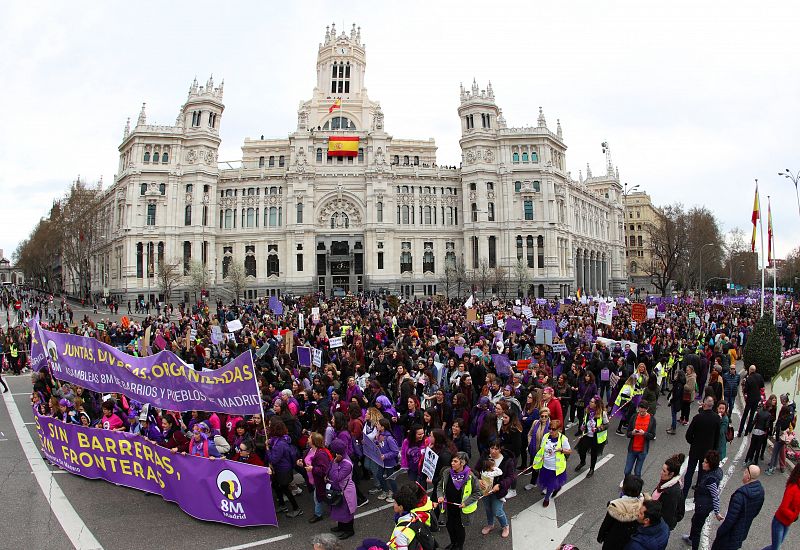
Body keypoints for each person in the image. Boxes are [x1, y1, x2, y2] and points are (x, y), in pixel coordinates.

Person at [711, 464, 765, 550]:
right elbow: (756, 512)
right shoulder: (761, 492)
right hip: (741, 532)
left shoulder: (740, 496)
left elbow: (730, 520)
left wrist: (720, 531)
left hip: (729, 536)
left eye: (745, 472)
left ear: (748, 476)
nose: (743, 474)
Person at [437, 451, 480, 550]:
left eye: (455, 461)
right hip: (448, 507)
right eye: (452, 460)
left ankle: (459, 546)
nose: (452, 463)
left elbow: (477, 493)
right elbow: (440, 486)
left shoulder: (471, 477)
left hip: (461, 509)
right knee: (450, 527)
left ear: (463, 463)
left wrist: (466, 503)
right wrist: (440, 496)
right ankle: (453, 543)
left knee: (459, 529)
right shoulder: (447, 472)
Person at [683, 450, 723, 550]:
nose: (703, 463)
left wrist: (717, 512)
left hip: (703, 506)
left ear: (711, 464)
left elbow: (715, 495)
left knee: (697, 529)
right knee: (695, 521)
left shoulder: (711, 479)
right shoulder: (716, 472)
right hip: (703, 504)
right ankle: (691, 538)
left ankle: (694, 544)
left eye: (705, 462)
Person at [684, 396, 720, 498]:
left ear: (704, 403)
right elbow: (717, 437)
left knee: (690, 471)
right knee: (702, 474)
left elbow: (688, 435)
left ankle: (684, 492)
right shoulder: (716, 418)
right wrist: (714, 450)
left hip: (695, 449)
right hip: (707, 452)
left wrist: (693, 442)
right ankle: (697, 495)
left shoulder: (697, 418)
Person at [477, 442, 515, 538]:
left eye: (496, 449)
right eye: (491, 448)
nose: (493, 451)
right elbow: (476, 469)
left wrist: (500, 485)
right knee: (488, 508)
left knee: (497, 510)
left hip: (498, 491)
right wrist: (479, 479)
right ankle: (490, 524)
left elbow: (510, 477)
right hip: (485, 489)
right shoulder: (485, 456)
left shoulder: (507, 461)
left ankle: (505, 526)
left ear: (500, 449)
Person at [266, 417, 303, 517]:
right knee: (276, 485)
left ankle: (296, 508)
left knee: (285, 488)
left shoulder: (280, 444)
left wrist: (267, 450)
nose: (268, 427)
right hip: (282, 468)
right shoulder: (282, 439)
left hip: (282, 469)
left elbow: (273, 459)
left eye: (270, 425)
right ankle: (282, 504)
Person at [597, 474, 644, 550]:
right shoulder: (642, 506)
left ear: (624, 489)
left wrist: (600, 537)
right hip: (629, 541)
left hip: (613, 540)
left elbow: (606, 524)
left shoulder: (614, 506)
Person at [532, 419, 571, 507]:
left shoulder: (563, 439)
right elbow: (542, 449)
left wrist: (561, 450)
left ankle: (546, 499)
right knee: (545, 482)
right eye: (549, 428)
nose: (550, 431)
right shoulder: (546, 436)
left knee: (550, 484)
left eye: (553, 429)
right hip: (545, 466)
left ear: (559, 430)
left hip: (555, 467)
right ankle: (556, 487)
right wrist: (539, 459)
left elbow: (569, 451)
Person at [763, 462, 800, 550]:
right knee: (776, 548)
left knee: (775, 547)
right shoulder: (792, 488)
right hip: (779, 522)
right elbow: (784, 508)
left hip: (787, 522)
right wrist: (793, 516)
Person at [327, 438, 356, 540]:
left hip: (346, 491)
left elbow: (337, 477)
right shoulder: (338, 458)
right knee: (339, 509)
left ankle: (349, 530)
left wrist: (334, 463)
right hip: (338, 490)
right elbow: (329, 469)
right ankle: (341, 527)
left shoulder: (346, 464)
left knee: (347, 511)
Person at [574, 395, 609, 477]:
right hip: (586, 435)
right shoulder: (588, 411)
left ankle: (592, 469)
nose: (590, 403)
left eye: (592, 402)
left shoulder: (602, 413)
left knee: (594, 454)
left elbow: (607, 425)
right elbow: (585, 420)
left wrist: (598, 429)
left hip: (596, 438)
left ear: (596, 404)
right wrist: (583, 426)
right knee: (581, 450)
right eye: (590, 401)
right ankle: (582, 462)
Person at [303, 431, 332, 523]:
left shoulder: (321, 454)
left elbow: (324, 470)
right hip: (313, 479)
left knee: (318, 497)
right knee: (322, 496)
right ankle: (334, 508)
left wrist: (312, 469)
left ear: (314, 441)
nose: (308, 438)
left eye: (309, 437)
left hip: (319, 481)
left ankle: (318, 514)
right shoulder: (310, 450)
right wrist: (301, 462)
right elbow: (307, 460)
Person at [651, 453, 685, 531]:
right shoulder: (666, 483)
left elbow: (666, 515)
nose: (661, 472)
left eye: (664, 471)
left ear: (671, 474)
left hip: (659, 527)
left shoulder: (671, 493)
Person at [388, 483, 428, 550]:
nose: (393, 504)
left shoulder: (399, 532)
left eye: (395, 502)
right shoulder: (414, 516)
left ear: (401, 507)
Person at [624, 401, 656, 478]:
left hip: (642, 450)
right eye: (640, 411)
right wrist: (632, 433)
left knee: (637, 472)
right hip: (632, 449)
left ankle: (636, 489)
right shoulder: (634, 417)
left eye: (643, 411)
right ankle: (627, 487)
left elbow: (652, 435)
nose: (641, 413)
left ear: (647, 409)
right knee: (627, 471)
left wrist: (644, 434)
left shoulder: (652, 419)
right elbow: (628, 433)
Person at [738, 365, 765, 437]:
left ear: (750, 370)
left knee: (745, 415)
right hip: (757, 398)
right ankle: (747, 431)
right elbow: (762, 385)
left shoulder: (749, 378)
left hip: (750, 398)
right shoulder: (759, 376)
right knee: (752, 415)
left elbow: (745, 390)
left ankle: (740, 432)